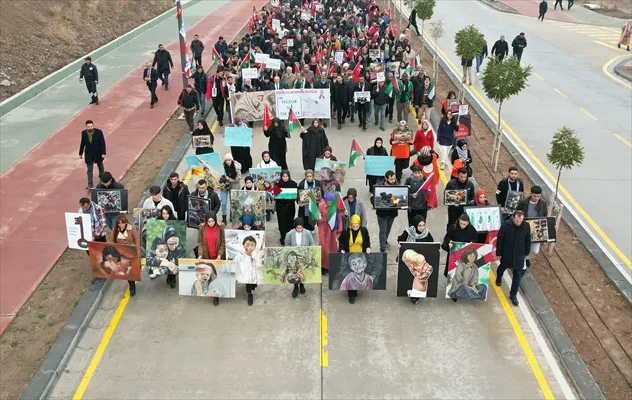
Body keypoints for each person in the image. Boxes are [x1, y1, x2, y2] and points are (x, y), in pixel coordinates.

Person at [495, 210, 531, 306]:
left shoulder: (526, 226)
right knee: (502, 267)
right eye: (517, 221)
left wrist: (527, 252)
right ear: (513, 218)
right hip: (507, 253)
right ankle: (499, 278)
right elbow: (500, 239)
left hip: (519, 254)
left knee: (517, 276)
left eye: (520, 221)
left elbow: (528, 240)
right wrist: (499, 252)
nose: (519, 223)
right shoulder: (506, 225)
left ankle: (513, 294)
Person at [338, 215, 371, 304]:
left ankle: (358, 287)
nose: (355, 228)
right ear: (350, 225)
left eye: (357, 226)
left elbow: (367, 240)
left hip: (360, 255)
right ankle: (351, 295)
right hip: (350, 255)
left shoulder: (363, 230)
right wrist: (342, 248)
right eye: (353, 226)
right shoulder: (346, 231)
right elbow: (341, 240)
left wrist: (368, 247)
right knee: (351, 274)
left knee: (360, 272)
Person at [197, 211, 225, 303]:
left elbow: (223, 243)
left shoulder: (220, 228)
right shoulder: (202, 228)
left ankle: (216, 296)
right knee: (207, 274)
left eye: (212, 221)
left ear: (215, 220)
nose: (211, 223)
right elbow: (200, 242)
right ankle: (208, 291)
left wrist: (220, 254)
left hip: (217, 256)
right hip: (206, 255)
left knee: (215, 276)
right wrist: (200, 254)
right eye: (209, 221)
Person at [516, 185, 548, 267]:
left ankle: (525, 258)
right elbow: (517, 213)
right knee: (523, 246)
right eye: (534, 196)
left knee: (535, 250)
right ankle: (521, 260)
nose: (536, 198)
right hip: (524, 228)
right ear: (531, 194)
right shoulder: (523, 202)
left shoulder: (543, 203)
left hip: (537, 229)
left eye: (538, 196)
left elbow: (545, 215)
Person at [284, 218, 315, 297]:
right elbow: (286, 244)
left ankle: (301, 285)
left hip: (304, 257)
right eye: (297, 228)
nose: (299, 229)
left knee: (302, 272)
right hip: (294, 258)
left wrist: (309, 252)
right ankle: (295, 287)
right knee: (294, 273)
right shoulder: (290, 234)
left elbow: (312, 244)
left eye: (301, 228)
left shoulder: (307, 233)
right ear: (295, 227)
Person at [111, 214, 140, 296]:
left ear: (126, 222)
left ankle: (132, 285)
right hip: (121, 254)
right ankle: (131, 284)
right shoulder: (114, 230)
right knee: (126, 271)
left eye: (122, 223)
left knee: (132, 271)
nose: (121, 225)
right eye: (119, 223)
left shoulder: (132, 229)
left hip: (131, 253)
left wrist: (137, 253)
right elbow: (113, 242)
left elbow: (137, 240)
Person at [80, 197, 107, 284]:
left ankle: (104, 270)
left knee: (101, 254)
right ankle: (98, 273)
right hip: (87, 238)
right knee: (92, 256)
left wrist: (95, 235)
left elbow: (103, 224)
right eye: (82, 207)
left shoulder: (99, 209)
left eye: (85, 207)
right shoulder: (81, 211)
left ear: (89, 204)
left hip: (99, 237)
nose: (84, 209)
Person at [317, 192, 344, 275]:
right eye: (328, 201)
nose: (329, 203)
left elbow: (339, 217)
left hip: (333, 230)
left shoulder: (336, 205)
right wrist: (321, 220)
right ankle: (323, 266)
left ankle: (332, 266)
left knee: (333, 248)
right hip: (324, 229)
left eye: (331, 201)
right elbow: (318, 216)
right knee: (323, 248)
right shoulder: (321, 205)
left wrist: (340, 228)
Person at [375, 170, 400, 252]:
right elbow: (373, 197)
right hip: (381, 213)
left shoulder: (397, 186)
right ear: (386, 179)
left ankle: (384, 241)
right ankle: (382, 247)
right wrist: (374, 204)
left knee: (388, 229)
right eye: (391, 179)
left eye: (394, 179)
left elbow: (398, 199)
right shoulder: (378, 186)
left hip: (391, 213)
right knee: (383, 230)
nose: (393, 181)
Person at [79, 120, 106, 190]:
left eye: (91, 126)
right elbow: (82, 143)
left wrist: (103, 153)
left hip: (98, 153)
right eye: (88, 127)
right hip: (89, 154)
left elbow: (102, 143)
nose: (90, 128)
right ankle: (90, 184)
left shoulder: (99, 132)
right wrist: (80, 153)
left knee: (100, 167)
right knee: (89, 169)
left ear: (93, 126)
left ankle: (102, 181)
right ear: (86, 127)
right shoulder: (84, 133)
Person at [235, 235, 260, 306]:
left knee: (251, 284)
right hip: (244, 274)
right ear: (243, 245)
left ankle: (250, 292)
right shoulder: (240, 256)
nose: (250, 247)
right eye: (247, 245)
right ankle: (249, 293)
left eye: (252, 245)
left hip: (253, 275)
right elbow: (236, 265)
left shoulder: (256, 255)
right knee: (247, 283)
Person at [276, 170, 298, 245]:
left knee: (290, 221)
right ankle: (283, 237)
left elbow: (296, 197)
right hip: (281, 207)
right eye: (283, 176)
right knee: (282, 222)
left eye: (286, 176)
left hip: (290, 207)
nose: (285, 178)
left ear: (289, 176)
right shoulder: (278, 185)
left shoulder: (293, 184)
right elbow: (275, 197)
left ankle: (290, 237)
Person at [220, 153, 242, 223]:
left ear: (231, 160)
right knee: (223, 203)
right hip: (224, 187)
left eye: (229, 160)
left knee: (232, 202)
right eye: (226, 161)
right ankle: (224, 217)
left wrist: (228, 179)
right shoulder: (222, 167)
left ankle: (232, 215)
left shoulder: (237, 167)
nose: (228, 162)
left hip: (234, 186)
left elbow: (238, 178)